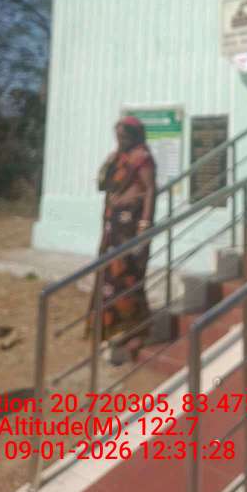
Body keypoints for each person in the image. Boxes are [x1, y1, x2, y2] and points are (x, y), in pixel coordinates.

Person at [87, 116, 156, 363]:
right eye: (117, 136)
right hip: (112, 225)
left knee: (128, 276)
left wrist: (145, 223)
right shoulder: (117, 158)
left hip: (131, 226)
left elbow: (150, 190)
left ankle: (135, 330)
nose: (120, 140)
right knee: (108, 277)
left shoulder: (142, 158)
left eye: (124, 136)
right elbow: (102, 185)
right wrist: (109, 162)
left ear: (134, 135)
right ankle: (110, 328)